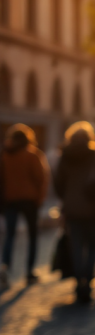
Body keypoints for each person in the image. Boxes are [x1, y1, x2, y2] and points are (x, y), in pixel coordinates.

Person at [54, 122, 95, 303]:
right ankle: (87, 281)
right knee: (93, 247)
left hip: (72, 209)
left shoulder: (64, 156)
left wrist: (67, 198)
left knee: (76, 247)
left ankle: (79, 279)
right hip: (94, 209)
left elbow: (58, 184)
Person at [0, 124, 50, 289]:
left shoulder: (5, 155)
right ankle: (29, 272)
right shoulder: (33, 155)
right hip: (30, 201)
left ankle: (5, 267)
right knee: (32, 236)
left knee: (10, 236)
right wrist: (39, 199)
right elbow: (42, 178)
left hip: (10, 200)